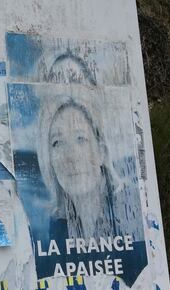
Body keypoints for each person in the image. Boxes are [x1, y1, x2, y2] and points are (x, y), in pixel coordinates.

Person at [37, 100, 120, 240]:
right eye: (57, 143)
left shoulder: (127, 210)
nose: (71, 156)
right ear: (49, 161)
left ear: (101, 152)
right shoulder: (57, 225)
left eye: (81, 139)